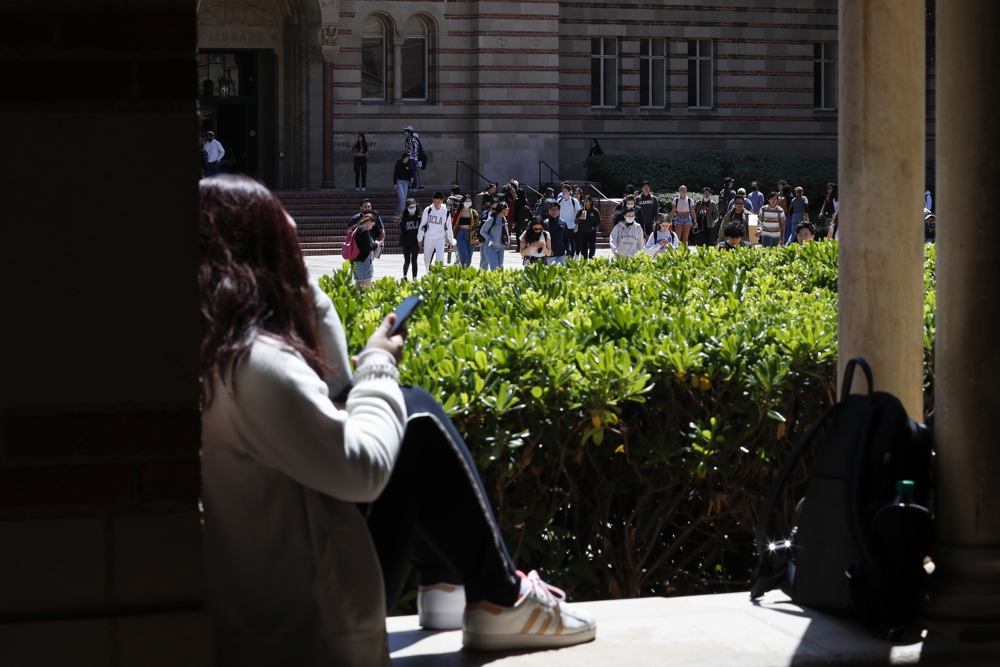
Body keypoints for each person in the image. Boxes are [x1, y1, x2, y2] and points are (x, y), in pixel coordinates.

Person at [199, 175, 597, 666]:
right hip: (309, 622)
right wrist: (379, 362)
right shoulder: (256, 366)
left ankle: (449, 584)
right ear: (264, 253)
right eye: (288, 243)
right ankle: (497, 594)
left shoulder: (219, 351)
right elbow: (361, 469)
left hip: (274, 607)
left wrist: (303, 296)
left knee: (403, 411)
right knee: (414, 418)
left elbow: (339, 393)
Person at [417, 191, 455, 271]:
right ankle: (428, 275)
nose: (436, 203)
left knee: (439, 259)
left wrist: (451, 241)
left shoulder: (446, 212)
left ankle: (438, 276)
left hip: (440, 237)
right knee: (426, 260)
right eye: (434, 201)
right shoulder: (428, 210)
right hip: (429, 237)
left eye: (438, 201)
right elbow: (422, 224)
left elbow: (449, 227)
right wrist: (419, 239)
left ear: (442, 201)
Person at [348, 214, 379, 290]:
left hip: (355, 262)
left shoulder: (356, 229)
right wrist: (376, 244)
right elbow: (367, 247)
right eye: (372, 225)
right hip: (364, 263)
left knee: (358, 288)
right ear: (369, 221)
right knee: (366, 290)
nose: (372, 227)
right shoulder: (364, 231)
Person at [452, 193, 479, 267]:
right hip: (460, 234)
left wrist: (478, 237)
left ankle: (465, 270)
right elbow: (453, 224)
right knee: (464, 254)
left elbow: (477, 225)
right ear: (463, 202)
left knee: (469, 256)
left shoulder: (474, 213)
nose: (468, 202)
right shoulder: (457, 212)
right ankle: (464, 272)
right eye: (466, 201)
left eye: (469, 201)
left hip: (471, 235)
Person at [556, 182, 582, 258]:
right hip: (562, 226)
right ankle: (565, 257)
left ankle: (573, 256)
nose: (563, 192)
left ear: (569, 192)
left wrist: (577, 225)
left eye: (565, 191)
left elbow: (578, 214)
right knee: (563, 243)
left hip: (571, 226)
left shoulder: (574, 201)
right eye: (562, 191)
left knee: (572, 243)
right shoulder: (559, 201)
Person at [480, 202, 508, 270]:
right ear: (502, 210)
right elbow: (482, 231)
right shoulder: (492, 219)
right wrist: (490, 239)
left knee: (500, 270)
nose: (508, 210)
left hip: (501, 247)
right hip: (490, 247)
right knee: (495, 269)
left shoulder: (504, 220)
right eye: (507, 209)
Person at [399, 198, 421, 281]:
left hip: (416, 243)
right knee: (407, 261)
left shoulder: (419, 218)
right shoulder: (404, 219)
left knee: (414, 261)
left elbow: (423, 227)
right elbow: (402, 232)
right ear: (407, 208)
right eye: (410, 207)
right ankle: (404, 275)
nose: (412, 209)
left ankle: (414, 278)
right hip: (406, 243)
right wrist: (403, 242)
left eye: (414, 207)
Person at [576, 195, 602, 260]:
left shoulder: (595, 211)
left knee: (592, 247)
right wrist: (580, 218)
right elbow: (576, 221)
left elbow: (598, 221)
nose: (585, 203)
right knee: (583, 248)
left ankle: (591, 259)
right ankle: (584, 261)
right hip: (583, 232)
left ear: (590, 202)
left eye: (587, 201)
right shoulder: (581, 211)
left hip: (591, 232)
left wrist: (593, 227)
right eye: (584, 201)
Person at [544, 201, 568, 266]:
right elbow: (542, 239)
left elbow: (566, 238)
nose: (554, 212)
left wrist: (569, 251)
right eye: (552, 210)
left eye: (556, 210)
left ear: (559, 211)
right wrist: (548, 249)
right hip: (548, 255)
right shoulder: (545, 223)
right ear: (549, 211)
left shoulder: (563, 223)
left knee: (562, 273)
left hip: (561, 254)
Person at [403, 125, 422, 192]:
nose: (405, 132)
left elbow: (416, 149)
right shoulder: (407, 139)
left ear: (410, 131)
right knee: (408, 172)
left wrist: (415, 158)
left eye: (406, 131)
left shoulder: (414, 139)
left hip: (412, 158)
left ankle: (415, 186)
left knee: (413, 172)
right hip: (407, 158)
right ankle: (410, 185)